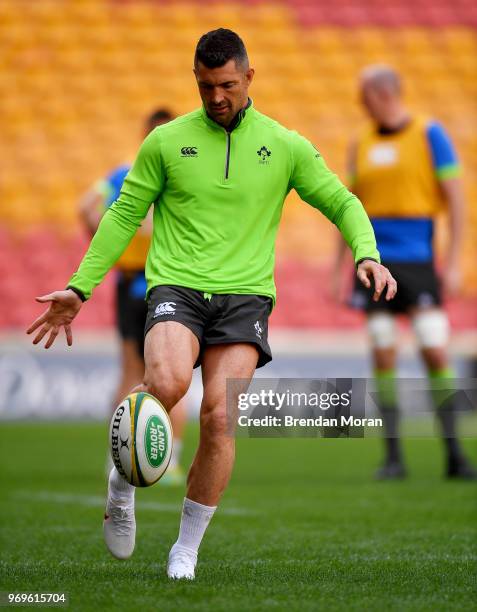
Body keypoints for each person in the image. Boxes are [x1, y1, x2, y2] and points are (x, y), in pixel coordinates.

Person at [27, 29, 396, 580]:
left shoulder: (286, 145)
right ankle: (121, 488)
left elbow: (341, 200)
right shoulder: (166, 143)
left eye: (226, 84)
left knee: (220, 417)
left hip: (245, 297)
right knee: (168, 384)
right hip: (176, 286)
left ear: (250, 77)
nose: (216, 96)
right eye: (205, 86)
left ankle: (186, 549)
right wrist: (80, 288)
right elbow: (124, 215)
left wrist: (366, 251)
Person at [333, 65, 476, 480]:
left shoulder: (430, 134)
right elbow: (348, 206)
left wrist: (452, 262)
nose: (360, 103)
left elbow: (457, 202)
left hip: (419, 258)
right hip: (373, 258)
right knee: (382, 349)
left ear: (382, 93)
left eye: (364, 95)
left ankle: (455, 454)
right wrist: (338, 265)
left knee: (434, 347)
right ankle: (393, 457)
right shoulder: (360, 141)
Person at [78, 108, 187, 485]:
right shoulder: (179, 173)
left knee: (130, 370)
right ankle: (170, 460)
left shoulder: (125, 173)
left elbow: (86, 207)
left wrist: (107, 238)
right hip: (165, 282)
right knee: (172, 371)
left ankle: (117, 458)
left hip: (130, 281)